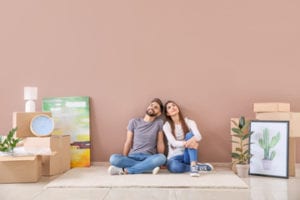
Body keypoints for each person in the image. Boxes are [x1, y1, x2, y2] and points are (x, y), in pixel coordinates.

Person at [108, 98, 167, 175]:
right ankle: (148, 168)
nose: (152, 107)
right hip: (133, 156)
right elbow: (128, 142)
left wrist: (161, 163)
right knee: (113, 159)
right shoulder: (134, 122)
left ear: (159, 113)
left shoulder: (159, 123)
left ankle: (127, 170)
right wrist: (124, 157)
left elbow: (160, 142)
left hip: (149, 157)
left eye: (156, 107)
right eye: (151, 105)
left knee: (162, 158)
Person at [163, 100, 213, 177]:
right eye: (169, 107)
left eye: (174, 105)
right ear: (167, 113)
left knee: (190, 135)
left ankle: (193, 166)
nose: (172, 107)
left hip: (188, 155)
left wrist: (190, 140)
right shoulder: (166, 126)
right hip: (173, 157)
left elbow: (198, 136)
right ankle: (197, 167)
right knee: (175, 167)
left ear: (178, 108)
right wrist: (188, 143)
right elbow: (173, 143)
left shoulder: (189, 122)